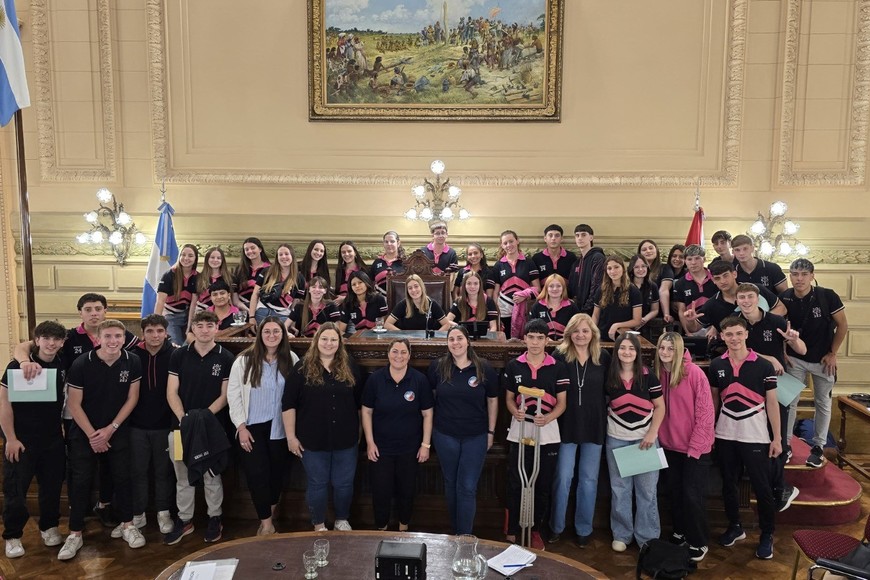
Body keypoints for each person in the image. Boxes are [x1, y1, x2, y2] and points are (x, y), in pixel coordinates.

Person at [13, 293, 139, 528]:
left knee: (112, 466)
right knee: (79, 467)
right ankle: (76, 512)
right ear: (80, 312)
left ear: (105, 312)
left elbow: (145, 345)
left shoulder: (118, 335)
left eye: (98, 309)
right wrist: (22, 362)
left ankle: (105, 504)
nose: (94, 313)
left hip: (108, 414)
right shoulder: (67, 337)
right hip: (75, 412)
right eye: (88, 309)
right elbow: (24, 346)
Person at [61, 320, 144, 560]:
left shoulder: (133, 361)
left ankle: (128, 525)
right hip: (84, 433)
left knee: (122, 477)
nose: (113, 341)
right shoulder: (81, 363)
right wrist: (93, 435)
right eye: (108, 336)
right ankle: (75, 533)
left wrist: (111, 429)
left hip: (116, 431)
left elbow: (132, 398)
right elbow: (74, 404)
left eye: (118, 336)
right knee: (81, 481)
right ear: (98, 338)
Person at [709, 316, 781, 560]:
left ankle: (766, 534)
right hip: (725, 434)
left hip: (756, 436)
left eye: (739, 333)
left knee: (762, 488)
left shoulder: (763, 365)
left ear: (747, 334)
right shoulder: (717, 364)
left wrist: (777, 438)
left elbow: (772, 403)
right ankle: (735, 526)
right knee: (728, 483)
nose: (734, 338)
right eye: (729, 334)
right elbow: (715, 400)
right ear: (722, 336)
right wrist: (710, 431)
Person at [282, 323, 363, 532]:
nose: (329, 343)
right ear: (316, 341)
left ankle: (341, 520)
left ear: (340, 343)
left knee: (344, 484)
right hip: (312, 439)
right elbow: (288, 405)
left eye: (333, 340)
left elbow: (360, 404)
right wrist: (291, 437)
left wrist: (360, 433)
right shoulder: (301, 368)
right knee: (317, 484)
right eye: (325, 339)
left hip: (346, 438)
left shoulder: (350, 366)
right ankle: (319, 524)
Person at [164, 311, 234, 546]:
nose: (204, 329)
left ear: (217, 328)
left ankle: (215, 518)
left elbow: (225, 395)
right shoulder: (179, 355)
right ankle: (184, 520)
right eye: (199, 325)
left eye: (209, 325)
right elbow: (171, 391)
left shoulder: (226, 357)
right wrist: (184, 419)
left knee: (211, 475)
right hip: (180, 427)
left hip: (211, 427)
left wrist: (202, 418)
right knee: (182, 476)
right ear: (192, 328)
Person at [736, 282, 806, 511]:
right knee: (754, 440)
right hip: (746, 390)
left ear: (758, 299)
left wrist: (793, 340)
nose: (746, 301)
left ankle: (780, 486)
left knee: (777, 437)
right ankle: (762, 483)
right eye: (741, 297)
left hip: (775, 390)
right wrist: (768, 357)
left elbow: (802, 350)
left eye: (749, 297)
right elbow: (731, 350)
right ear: (737, 301)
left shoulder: (776, 322)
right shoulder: (735, 323)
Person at [1, 321, 67, 559]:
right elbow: (4, 404)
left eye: (57, 339)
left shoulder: (62, 363)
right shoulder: (16, 366)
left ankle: (49, 527)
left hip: (52, 439)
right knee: (15, 489)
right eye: (46, 338)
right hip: (21, 439)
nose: (51, 343)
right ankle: (13, 535)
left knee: (51, 487)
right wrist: (10, 438)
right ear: (37, 340)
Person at [227, 317, 299, 536]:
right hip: (252, 429)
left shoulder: (292, 359)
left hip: (280, 428)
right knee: (257, 476)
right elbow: (234, 394)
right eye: (267, 332)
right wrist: (241, 427)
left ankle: (270, 515)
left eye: (276, 332)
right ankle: (266, 524)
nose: (271, 336)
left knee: (276, 476)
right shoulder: (244, 360)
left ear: (283, 335)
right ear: (259, 335)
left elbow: (296, 396)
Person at [427, 325, 499, 535]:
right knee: (450, 484)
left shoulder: (483, 367)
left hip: (475, 436)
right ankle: (455, 531)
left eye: (459, 338)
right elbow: (430, 400)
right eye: (451, 339)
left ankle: (464, 536)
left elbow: (493, 400)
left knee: (467, 487)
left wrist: (491, 432)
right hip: (445, 434)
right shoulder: (438, 367)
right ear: (447, 343)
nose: (456, 343)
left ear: (468, 341)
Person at [503, 319, 568, 550]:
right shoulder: (514, 366)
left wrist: (548, 418)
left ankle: (536, 529)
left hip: (547, 432)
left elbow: (562, 403)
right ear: (525, 339)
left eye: (540, 338)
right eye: (531, 337)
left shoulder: (557, 367)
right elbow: (509, 399)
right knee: (516, 480)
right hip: (520, 429)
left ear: (547, 340)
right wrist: (514, 411)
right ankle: (512, 528)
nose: (535, 342)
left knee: (542, 483)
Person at [548, 314, 610, 548]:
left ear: (592, 333)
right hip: (567, 424)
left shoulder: (602, 356)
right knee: (563, 478)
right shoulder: (559, 355)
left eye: (585, 331)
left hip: (594, 425)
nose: (581, 335)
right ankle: (556, 526)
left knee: (588, 480)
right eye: (576, 331)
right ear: (569, 333)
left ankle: (584, 528)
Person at [780, 258, 848, 469]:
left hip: (822, 359)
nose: (799, 279)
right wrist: (782, 352)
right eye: (794, 274)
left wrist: (833, 353)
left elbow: (843, 325)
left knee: (823, 403)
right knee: (789, 402)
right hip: (795, 359)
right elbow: (778, 328)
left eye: (803, 274)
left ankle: (818, 448)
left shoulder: (827, 296)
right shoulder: (784, 298)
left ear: (812, 275)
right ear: (790, 276)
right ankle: (786, 445)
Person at [655, 332, 715, 562]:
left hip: (694, 448)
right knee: (674, 493)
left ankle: (699, 541)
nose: (666, 353)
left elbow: (705, 415)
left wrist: (695, 448)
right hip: (668, 446)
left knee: (692, 496)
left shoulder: (695, 374)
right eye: (662, 348)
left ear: (679, 351)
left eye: (670, 349)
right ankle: (680, 531)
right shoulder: (658, 373)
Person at [362, 339, 433, 531]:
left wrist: (425, 445)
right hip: (380, 448)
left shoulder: (419, 380)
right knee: (380, 491)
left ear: (409, 355)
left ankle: (404, 528)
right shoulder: (375, 379)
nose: (399, 356)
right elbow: (366, 411)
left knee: (407, 490)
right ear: (388, 353)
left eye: (403, 352)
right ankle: (381, 528)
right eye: (395, 351)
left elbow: (427, 414)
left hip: (410, 448)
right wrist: (370, 442)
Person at [604, 332, 664, 552]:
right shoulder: (609, 376)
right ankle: (622, 533)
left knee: (647, 491)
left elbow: (660, 406)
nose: (626, 352)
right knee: (620, 489)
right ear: (616, 351)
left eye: (631, 348)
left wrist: (652, 433)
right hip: (616, 439)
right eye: (622, 348)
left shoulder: (648, 376)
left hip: (645, 441)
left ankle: (647, 537)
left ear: (637, 352)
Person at [129, 315, 177, 537]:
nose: (155, 335)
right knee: (138, 471)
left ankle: (163, 512)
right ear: (143, 333)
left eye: (159, 331)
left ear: (166, 332)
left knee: (163, 472)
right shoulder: (132, 355)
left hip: (165, 426)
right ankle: (138, 512)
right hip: (136, 426)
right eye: (150, 331)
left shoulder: (176, 354)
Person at [682, 260, 784, 339]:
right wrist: (690, 321)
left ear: (734, 274)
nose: (722, 281)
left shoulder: (755, 289)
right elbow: (694, 328)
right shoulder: (712, 305)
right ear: (713, 280)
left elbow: (782, 309)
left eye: (725, 276)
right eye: (717, 278)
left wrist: (762, 322)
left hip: (767, 343)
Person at [489, 230, 541, 338]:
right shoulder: (498, 265)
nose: (509, 245)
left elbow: (537, 289)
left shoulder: (529, 262)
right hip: (504, 309)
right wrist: (496, 310)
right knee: (507, 340)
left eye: (511, 241)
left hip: (524, 308)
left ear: (517, 241)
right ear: (502, 245)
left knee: (524, 339)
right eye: (505, 243)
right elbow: (496, 292)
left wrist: (524, 296)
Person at [248, 244, 305, 330]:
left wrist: (292, 322)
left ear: (292, 256)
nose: (283, 257)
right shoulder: (267, 272)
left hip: (283, 315)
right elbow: (255, 294)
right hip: (262, 312)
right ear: (277, 258)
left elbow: (296, 303)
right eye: (280, 254)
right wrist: (251, 317)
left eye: (286, 254)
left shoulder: (300, 278)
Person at [154, 244, 199, 345]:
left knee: (189, 344)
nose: (186, 258)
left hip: (187, 316)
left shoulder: (197, 277)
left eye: (190, 255)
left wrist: (189, 327)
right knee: (176, 345)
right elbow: (160, 302)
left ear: (195, 258)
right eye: (183, 255)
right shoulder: (169, 275)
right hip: (171, 316)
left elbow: (193, 304)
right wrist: (156, 324)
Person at [592, 255, 643, 340]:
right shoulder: (601, 290)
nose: (613, 271)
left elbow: (637, 320)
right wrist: (592, 332)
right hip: (602, 336)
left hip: (624, 337)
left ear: (623, 268)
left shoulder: (633, 291)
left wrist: (617, 325)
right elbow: (595, 316)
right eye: (609, 268)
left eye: (616, 267)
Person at [673, 244, 717, 335]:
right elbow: (682, 311)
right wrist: (688, 331)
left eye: (697, 258)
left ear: (704, 259)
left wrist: (716, 327)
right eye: (689, 259)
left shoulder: (716, 278)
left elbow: (723, 304)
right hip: (694, 326)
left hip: (716, 326)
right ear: (685, 261)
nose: (693, 262)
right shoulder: (680, 283)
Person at [188, 247, 235, 332]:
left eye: (218, 258)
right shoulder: (198, 278)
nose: (215, 260)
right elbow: (193, 303)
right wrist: (190, 326)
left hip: (222, 314)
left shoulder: (230, 278)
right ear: (207, 259)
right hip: (201, 314)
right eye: (212, 257)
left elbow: (230, 300)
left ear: (222, 260)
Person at [385, 274, 450, 331]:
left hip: (427, 342)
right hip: (408, 341)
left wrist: (434, 336)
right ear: (407, 291)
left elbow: (446, 324)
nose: (413, 290)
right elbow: (387, 324)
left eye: (416, 286)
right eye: (410, 288)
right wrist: (403, 335)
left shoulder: (432, 304)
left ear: (421, 287)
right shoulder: (403, 304)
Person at [568, 224, 606, 315]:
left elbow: (597, 286)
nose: (580, 238)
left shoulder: (597, 257)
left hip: (592, 311)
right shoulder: (576, 263)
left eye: (583, 235)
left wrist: (586, 309)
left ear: (591, 237)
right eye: (577, 235)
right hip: (577, 310)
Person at [529, 274, 580, 340]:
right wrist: (543, 338)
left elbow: (578, 327)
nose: (555, 289)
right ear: (546, 288)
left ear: (563, 288)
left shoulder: (571, 306)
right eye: (551, 286)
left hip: (566, 345)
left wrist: (568, 337)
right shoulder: (537, 306)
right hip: (542, 345)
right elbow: (530, 328)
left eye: (558, 286)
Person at [628, 255, 662, 341]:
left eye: (643, 266)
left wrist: (644, 319)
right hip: (627, 325)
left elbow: (655, 310)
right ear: (632, 269)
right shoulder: (626, 286)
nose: (640, 269)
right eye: (636, 267)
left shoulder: (652, 286)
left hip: (646, 325)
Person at [232, 237, 270, 314]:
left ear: (260, 249)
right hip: (241, 309)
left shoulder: (270, 269)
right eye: (246, 249)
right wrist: (248, 311)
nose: (250, 251)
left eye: (253, 248)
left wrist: (255, 311)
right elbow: (235, 298)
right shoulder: (239, 269)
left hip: (262, 309)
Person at [370, 231, 405, 296]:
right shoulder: (377, 262)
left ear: (398, 243)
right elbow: (370, 283)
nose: (389, 244)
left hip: (401, 300)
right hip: (380, 302)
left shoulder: (405, 262)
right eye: (386, 242)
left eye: (392, 241)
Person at [658, 244, 687, 324]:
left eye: (681, 257)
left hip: (683, 315)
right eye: (674, 256)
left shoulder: (688, 275)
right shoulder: (663, 271)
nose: (677, 259)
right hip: (664, 313)